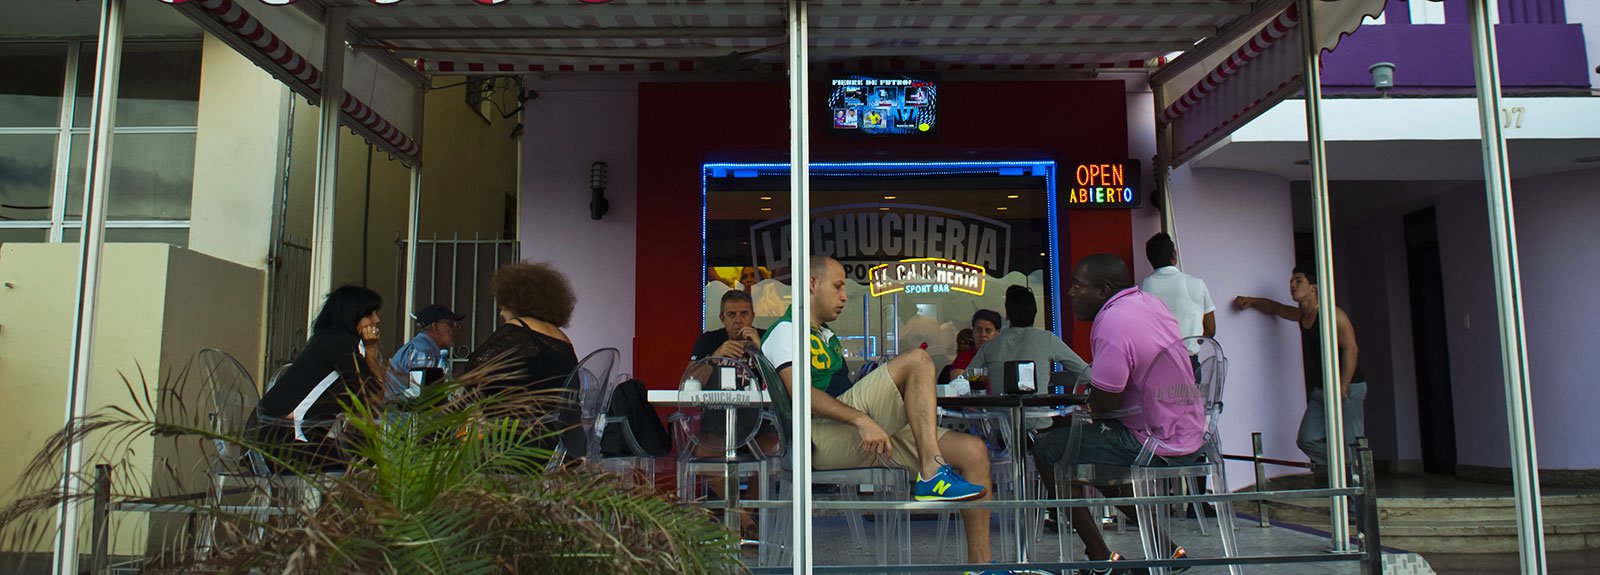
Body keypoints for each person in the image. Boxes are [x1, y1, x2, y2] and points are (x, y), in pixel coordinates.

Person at [764, 256, 1010, 570]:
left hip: (850, 435)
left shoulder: (826, 337)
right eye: (838, 286)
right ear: (812, 284)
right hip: (820, 437)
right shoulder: (786, 330)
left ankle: (981, 566)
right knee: (919, 360)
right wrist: (862, 419)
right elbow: (798, 393)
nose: (844, 296)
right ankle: (932, 473)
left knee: (973, 451)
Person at [1034, 254, 1206, 572]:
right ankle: (1167, 550)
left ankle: (1100, 559)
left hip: (1152, 440)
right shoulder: (1150, 304)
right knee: (1086, 456)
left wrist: (1081, 411)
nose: (1070, 292)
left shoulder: (1112, 322)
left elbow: (1105, 407)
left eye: (1076, 284)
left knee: (1048, 449)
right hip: (1189, 432)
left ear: (1103, 290)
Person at [1234, 263, 1366, 476]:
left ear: (1313, 287)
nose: (1292, 286)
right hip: (1321, 390)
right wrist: (1252, 301)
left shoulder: (1333, 314)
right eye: (1291, 282)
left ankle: (1358, 497)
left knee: (1352, 444)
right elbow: (1277, 308)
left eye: (1298, 281)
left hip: (1347, 388)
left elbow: (1351, 349)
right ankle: (1342, 468)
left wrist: (1343, 385)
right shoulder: (1302, 316)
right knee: (1307, 439)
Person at [255, 285, 386, 469]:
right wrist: (371, 349)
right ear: (352, 315)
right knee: (371, 457)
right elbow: (375, 396)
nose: (376, 319)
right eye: (370, 314)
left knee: (367, 450)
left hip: (266, 441)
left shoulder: (327, 340)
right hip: (280, 445)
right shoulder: (340, 344)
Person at [467, 261, 580, 400]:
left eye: (503, 305)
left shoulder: (519, 328)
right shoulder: (562, 338)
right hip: (556, 421)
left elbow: (474, 371)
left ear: (515, 300)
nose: (501, 313)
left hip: (516, 420)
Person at [964, 285, 1090, 395]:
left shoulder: (990, 346)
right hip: (1039, 420)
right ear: (1035, 313)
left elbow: (963, 381)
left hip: (1001, 420)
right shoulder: (1048, 339)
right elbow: (1086, 375)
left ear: (1007, 315)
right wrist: (1043, 377)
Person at [1140, 233, 1216, 343]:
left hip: (1153, 359)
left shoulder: (1139, 289)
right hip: (1188, 358)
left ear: (1150, 259)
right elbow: (1210, 329)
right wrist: (1192, 346)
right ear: (1174, 255)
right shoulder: (1197, 284)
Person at [386, 303, 464, 401]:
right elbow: (421, 396)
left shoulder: (430, 349)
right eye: (450, 324)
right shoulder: (421, 351)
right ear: (434, 326)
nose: (455, 329)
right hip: (405, 414)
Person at [690, 291, 764, 362]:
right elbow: (691, 374)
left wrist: (762, 348)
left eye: (744, 313)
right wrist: (715, 357)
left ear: (752, 316)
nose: (738, 320)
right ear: (722, 318)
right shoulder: (708, 340)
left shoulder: (768, 337)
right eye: (731, 314)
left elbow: (776, 374)